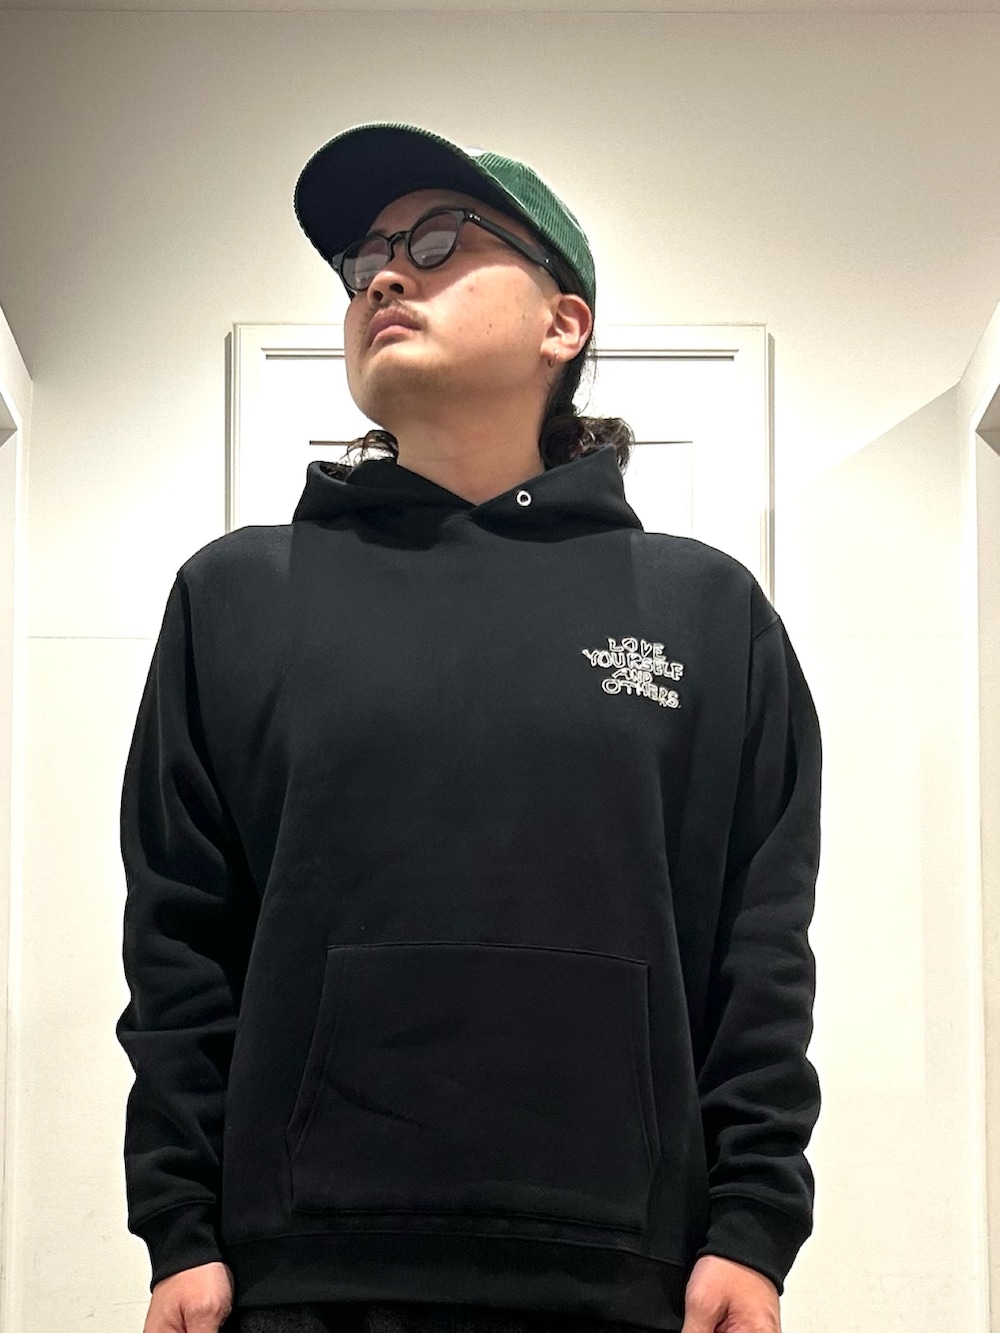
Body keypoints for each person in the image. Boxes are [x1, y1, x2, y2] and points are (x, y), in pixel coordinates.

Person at [115, 122, 822, 1333]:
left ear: (564, 322)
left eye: (439, 240)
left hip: (627, 1272)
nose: (384, 276)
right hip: (303, 1274)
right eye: (364, 258)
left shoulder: (706, 611)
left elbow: (758, 952)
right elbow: (178, 938)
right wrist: (178, 1227)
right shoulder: (234, 597)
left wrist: (752, 1228)